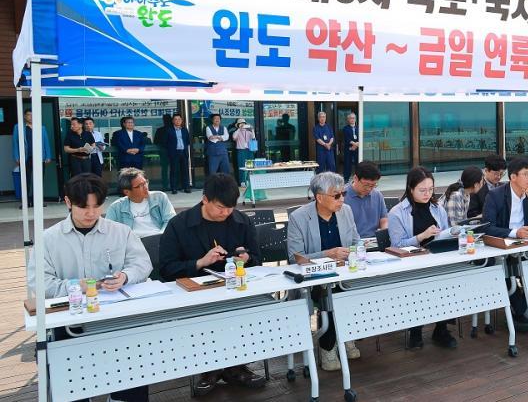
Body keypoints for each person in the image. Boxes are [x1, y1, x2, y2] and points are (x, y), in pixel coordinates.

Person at [28, 173, 152, 402]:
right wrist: (76, 286)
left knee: (135, 358)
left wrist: (125, 276)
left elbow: (142, 264)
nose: (91, 213)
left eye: (97, 206)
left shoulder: (120, 231)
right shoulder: (48, 239)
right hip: (68, 322)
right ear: (68, 202)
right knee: (64, 371)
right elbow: (39, 282)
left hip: (115, 318)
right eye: (84, 207)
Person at [159, 173, 264, 394]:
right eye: (220, 208)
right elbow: (167, 269)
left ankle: (236, 366)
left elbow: (257, 259)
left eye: (230, 208)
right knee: (208, 315)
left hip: (235, 291)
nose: (225, 213)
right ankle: (210, 369)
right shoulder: (179, 225)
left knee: (255, 308)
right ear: (205, 199)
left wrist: (246, 259)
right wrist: (200, 262)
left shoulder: (241, 221)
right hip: (195, 295)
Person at [287, 172, 361, 370]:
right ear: (319, 197)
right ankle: (328, 346)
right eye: (336, 195)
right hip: (314, 278)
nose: (342, 199)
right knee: (332, 292)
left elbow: (356, 242)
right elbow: (295, 257)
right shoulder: (299, 217)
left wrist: (353, 251)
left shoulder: (346, 211)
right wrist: (327, 254)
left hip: (345, 272)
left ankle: (347, 336)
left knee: (362, 287)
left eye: (343, 194)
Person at [388, 167, 457, 349]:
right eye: (422, 190)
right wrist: (421, 236)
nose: (428, 194)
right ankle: (416, 330)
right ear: (410, 189)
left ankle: (441, 328)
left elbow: (445, 233)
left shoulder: (438, 208)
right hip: (411, 264)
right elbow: (396, 245)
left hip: (436, 258)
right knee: (420, 284)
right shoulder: (397, 212)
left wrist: (450, 234)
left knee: (449, 279)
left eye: (431, 189)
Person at [482, 157, 528, 331]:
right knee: (506, 273)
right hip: (500, 246)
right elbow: (487, 227)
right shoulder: (495, 196)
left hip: (524, 246)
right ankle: (524, 313)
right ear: (513, 177)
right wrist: (514, 233)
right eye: (526, 174)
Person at [106, 168, 176, 238]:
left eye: (145, 182)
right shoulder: (116, 208)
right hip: (133, 241)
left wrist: (162, 236)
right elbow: (108, 231)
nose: (145, 187)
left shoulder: (160, 197)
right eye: (140, 186)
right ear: (127, 192)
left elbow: (171, 220)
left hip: (158, 238)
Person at [13, 109, 52, 208]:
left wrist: (48, 156)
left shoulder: (41, 127)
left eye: (32, 115)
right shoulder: (18, 127)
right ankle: (25, 202)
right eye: (28, 115)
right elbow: (15, 143)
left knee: (39, 180)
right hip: (26, 158)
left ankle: (38, 201)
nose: (31, 117)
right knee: (26, 180)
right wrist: (17, 157)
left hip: (39, 157)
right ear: (24, 116)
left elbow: (46, 142)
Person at [343, 161, 388, 238]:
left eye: (373, 185)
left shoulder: (377, 195)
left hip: (374, 239)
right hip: (352, 241)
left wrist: (384, 234)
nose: (369, 189)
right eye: (366, 185)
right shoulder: (342, 196)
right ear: (355, 178)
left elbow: (383, 219)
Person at [166, 113, 191, 194]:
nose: (177, 121)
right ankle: (174, 188)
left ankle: (186, 187)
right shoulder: (169, 130)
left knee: (185, 171)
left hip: (183, 152)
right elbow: (165, 142)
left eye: (179, 119)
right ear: (173, 121)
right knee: (174, 171)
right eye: (175, 119)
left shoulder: (184, 130)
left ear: (181, 121)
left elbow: (188, 141)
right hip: (174, 153)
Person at [232, 118, 255, 185]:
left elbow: (253, 138)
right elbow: (234, 137)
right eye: (240, 123)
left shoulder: (249, 132)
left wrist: (252, 129)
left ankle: (249, 180)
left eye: (244, 123)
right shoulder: (237, 132)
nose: (242, 125)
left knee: (250, 166)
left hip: (249, 151)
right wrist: (239, 129)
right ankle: (242, 181)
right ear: (238, 125)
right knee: (242, 166)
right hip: (241, 150)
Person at [153, 114, 172, 188]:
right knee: (174, 168)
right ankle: (175, 184)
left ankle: (165, 185)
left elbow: (155, 141)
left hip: (163, 151)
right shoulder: (174, 129)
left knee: (164, 169)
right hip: (173, 151)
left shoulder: (160, 130)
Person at [342, 113, 359, 181]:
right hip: (348, 148)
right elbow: (347, 138)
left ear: (355, 119)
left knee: (358, 163)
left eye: (353, 118)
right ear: (348, 120)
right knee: (347, 163)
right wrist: (354, 144)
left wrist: (356, 145)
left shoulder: (359, 127)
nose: (352, 119)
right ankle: (346, 178)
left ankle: (358, 177)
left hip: (357, 148)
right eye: (351, 118)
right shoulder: (345, 128)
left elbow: (361, 137)